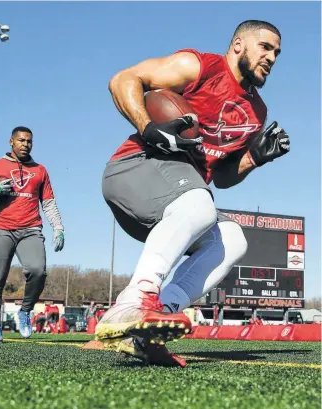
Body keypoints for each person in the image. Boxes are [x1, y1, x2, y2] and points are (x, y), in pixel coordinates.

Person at [96, 20, 289, 365]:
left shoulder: (257, 112)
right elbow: (122, 79)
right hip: (135, 168)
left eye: (276, 52)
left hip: (178, 199)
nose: (272, 57)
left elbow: (224, 177)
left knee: (232, 239)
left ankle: (151, 324)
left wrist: (254, 158)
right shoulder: (199, 66)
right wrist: (147, 126)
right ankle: (132, 301)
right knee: (202, 204)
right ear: (238, 45)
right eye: (265, 47)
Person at [0, 126, 65, 344]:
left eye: (29, 141)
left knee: (38, 271)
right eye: (21, 140)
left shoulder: (40, 170)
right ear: (11, 142)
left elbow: (49, 202)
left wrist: (58, 228)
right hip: (0, 228)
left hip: (31, 229)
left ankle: (25, 311)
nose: (25, 144)